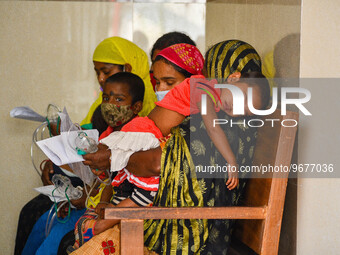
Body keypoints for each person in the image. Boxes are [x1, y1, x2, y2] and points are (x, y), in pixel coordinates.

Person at [81, 39, 264, 255]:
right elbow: (209, 130)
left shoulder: (215, 111)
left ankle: (105, 221)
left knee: (136, 186)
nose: (234, 113)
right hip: (147, 137)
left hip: (168, 218)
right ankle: (105, 220)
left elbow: (157, 163)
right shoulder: (206, 93)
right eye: (157, 82)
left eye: (244, 112)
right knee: (139, 187)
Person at [14, 36, 156, 255]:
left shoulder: (144, 128)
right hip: (96, 196)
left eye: (106, 71)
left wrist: (96, 206)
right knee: (38, 217)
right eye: (106, 98)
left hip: (119, 210)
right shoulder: (108, 121)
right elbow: (103, 174)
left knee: (60, 235)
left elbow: (135, 185)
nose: (100, 79)